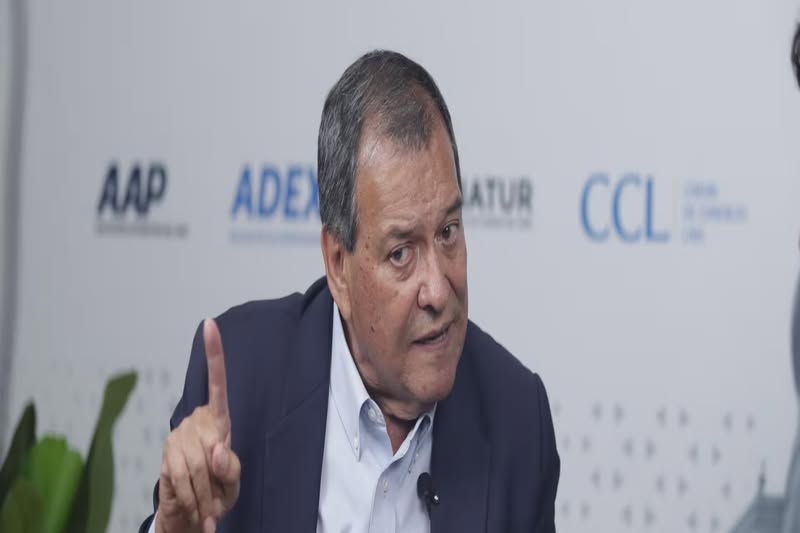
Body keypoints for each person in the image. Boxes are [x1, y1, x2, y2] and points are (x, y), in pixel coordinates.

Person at [140, 50, 560, 533]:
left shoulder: (517, 420)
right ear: (339, 265)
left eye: (448, 232)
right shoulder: (243, 381)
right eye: (401, 253)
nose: (438, 291)